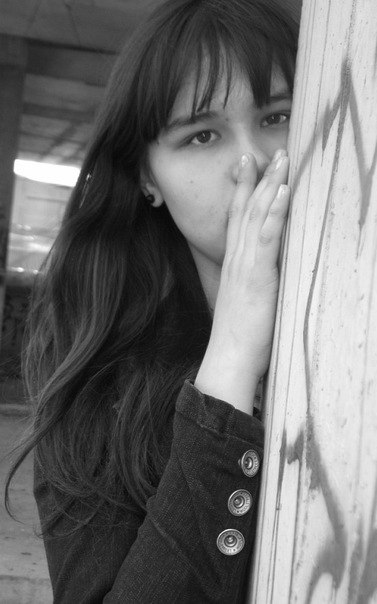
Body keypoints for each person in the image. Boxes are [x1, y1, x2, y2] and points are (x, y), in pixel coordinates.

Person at [6, 0, 299, 601]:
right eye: (202, 135)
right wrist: (233, 355)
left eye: (278, 116)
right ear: (147, 177)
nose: (254, 161)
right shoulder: (98, 383)